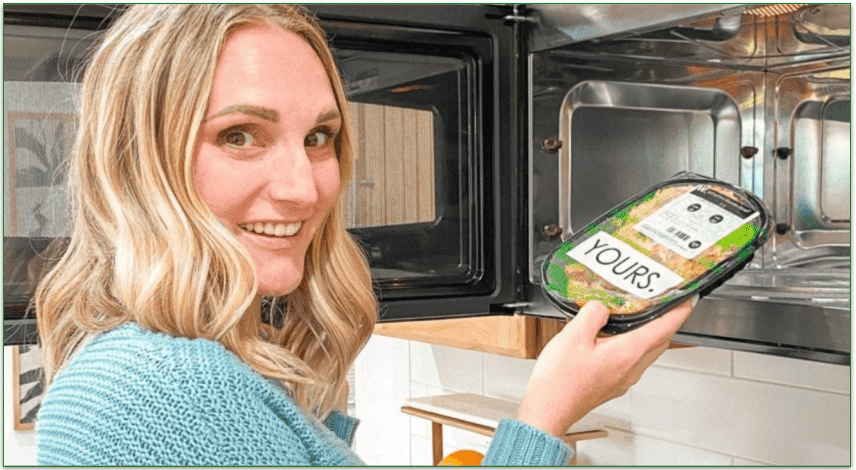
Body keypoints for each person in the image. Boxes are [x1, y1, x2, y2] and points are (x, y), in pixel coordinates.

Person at [32, 4, 694, 466]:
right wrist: (547, 414)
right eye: (240, 135)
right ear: (137, 160)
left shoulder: (129, 366)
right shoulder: (174, 388)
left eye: (319, 136)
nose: (306, 186)